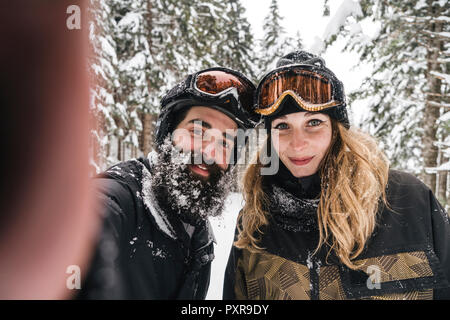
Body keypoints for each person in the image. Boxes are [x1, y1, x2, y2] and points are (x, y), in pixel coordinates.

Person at [223, 51, 450, 300]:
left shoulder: (409, 200)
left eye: (314, 123)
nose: (298, 144)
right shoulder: (255, 222)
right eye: (282, 126)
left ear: (336, 129)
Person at [78, 67, 256, 299]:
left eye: (225, 143)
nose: (209, 153)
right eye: (197, 132)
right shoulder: (120, 200)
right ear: (167, 135)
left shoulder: (198, 233)